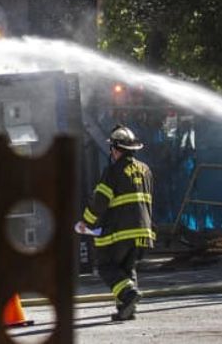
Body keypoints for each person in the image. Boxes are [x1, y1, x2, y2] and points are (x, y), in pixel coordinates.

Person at [75, 125, 155, 321]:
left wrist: (86, 222)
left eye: (112, 148)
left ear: (116, 150)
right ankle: (127, 309)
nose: (111, 152)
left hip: (119, 231)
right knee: (127, 269)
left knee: (106, 267)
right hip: (142, 230)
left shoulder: (113, 171)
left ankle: (128, 295)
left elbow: (100, 201)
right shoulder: (146, 170)